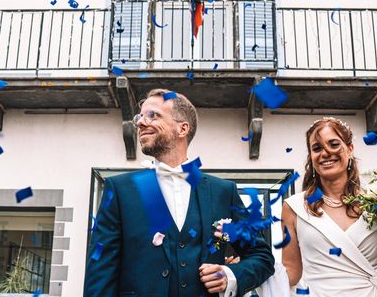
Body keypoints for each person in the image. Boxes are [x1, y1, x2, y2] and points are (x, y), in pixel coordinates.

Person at [84, 88, 275, 297]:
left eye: (153, 115)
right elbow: (100, 274)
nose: (139, 123)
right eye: (140, 117)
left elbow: (262, 256)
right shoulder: (120, 191)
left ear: (182, 129)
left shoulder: (222, 192)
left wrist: (231, 275)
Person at [281, 117, 377, 297]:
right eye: (317, 148)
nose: (325, 153)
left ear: (350, 149)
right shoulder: (294, 208)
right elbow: (291, 272)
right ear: (311, 157)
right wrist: (249, 272)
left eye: (333, 144)